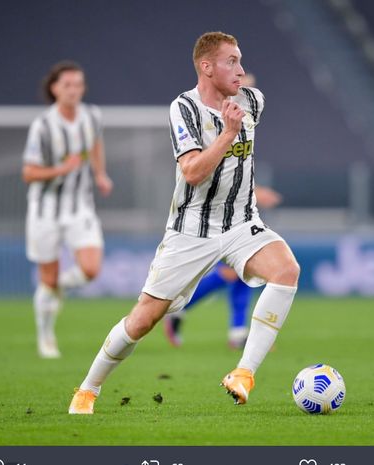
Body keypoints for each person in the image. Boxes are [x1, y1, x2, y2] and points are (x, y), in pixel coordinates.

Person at [69, 31, 300, 414]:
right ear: (205, 67)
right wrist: (227, 133)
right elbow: (192, 172)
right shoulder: (184, 109)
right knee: (143, 320)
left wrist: (235, 89)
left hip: (242, 222)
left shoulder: (252, 102)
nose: (241, 70)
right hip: (191, 229)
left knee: (286, 270)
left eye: (241, 61)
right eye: (231, 62)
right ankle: (88, 390)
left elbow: (240, 140)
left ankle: (244, 373)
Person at [22, 61, 113, 358]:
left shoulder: (92, 116)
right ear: (54, 89)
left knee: (91, 268)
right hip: (45, 209)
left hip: (80, 207)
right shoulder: (43, 126)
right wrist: (61, 169)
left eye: (78, 84)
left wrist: (100, 174)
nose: (74, 90)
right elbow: (29, 173)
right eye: (67, 85)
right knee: (46, 276)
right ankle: (45, 336)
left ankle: (56, 288)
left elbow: (96, 144)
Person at [163, 184, 282, 349]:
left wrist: (255, 191)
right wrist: (256, 193)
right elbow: (220, 180)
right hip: (215, 222)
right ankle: (178, 306)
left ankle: (238, 332)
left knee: (244, 274)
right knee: (230, 273)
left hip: (236, 223)